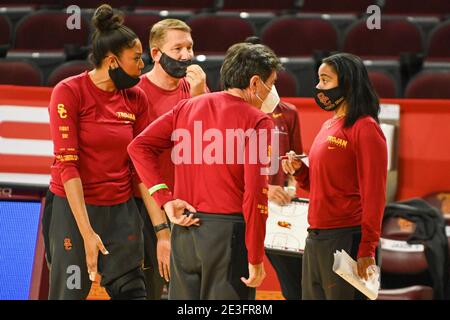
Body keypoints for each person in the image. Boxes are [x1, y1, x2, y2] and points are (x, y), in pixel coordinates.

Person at [128, 42, 283, 299]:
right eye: (271, 83)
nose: (271, 91)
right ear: (255, 83)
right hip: (228, 235)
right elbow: (255, 195)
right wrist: (255, 257)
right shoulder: (258, 120)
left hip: (185, 231)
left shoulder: (187, 107)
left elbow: (137, 147)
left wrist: (164, 200)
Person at [44, 4, 172, 299]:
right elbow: (68, 166)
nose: (142, 66)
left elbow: (141, 166)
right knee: (71, 291)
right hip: (73, 209)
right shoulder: (69, 91)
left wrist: (162, 230)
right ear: (112, 61)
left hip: (120, 210)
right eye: (136, 59)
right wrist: (86, 233)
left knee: (132, 291)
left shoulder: (135, 98)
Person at [282, 52, 387, 300]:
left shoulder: (365, 127)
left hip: (347, 237)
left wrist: (367, 248)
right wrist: (300, 171)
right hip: (316, 236)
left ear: (348, 83)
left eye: (325, 80)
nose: (319, 87)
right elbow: (318, 185)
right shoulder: (329, 124)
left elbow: (375, 193)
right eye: (318, 80)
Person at [134, 18, 208, 300]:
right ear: (155, 53)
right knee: (150, 290)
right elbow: (138, 165)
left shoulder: (194, 89)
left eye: (190, 47)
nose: (187, 56)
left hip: (188, 206)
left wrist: (200, 95)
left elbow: (206, 147)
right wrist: (161, 230)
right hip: (149, 209)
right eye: (178, 48)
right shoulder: (136, 92)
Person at [244, 36, 304, 300]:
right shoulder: (235, 111)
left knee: (294, 278)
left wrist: (290, 187)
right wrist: (266, 189)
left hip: (279, 210)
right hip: (244, 206)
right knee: (242, 277)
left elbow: (296, 162)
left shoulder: (289, 112)